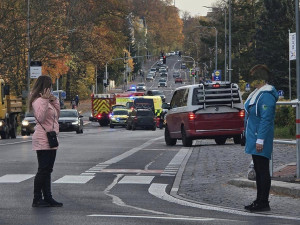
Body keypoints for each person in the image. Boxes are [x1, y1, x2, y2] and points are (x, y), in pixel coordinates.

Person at [244, 65, 278, 212]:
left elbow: (266, 119)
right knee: (258, 170)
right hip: (254, 136)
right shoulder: (258, 93)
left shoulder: (266, 95)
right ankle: (259, 200)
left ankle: (263, 202)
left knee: (263, 170)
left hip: (259, 137)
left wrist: (260, 139)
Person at [29, 75, 63, 207]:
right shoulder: (38, 101)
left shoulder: (48, 101)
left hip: (51, 139)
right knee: (43, 170)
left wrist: (54, 101)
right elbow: (41, 117)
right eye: (49, 87)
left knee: (48, 170)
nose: (51, 90)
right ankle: (37, 198)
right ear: (44, 87)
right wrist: (44, 100)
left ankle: (48, 197)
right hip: (42, 139)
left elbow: (57, 115)